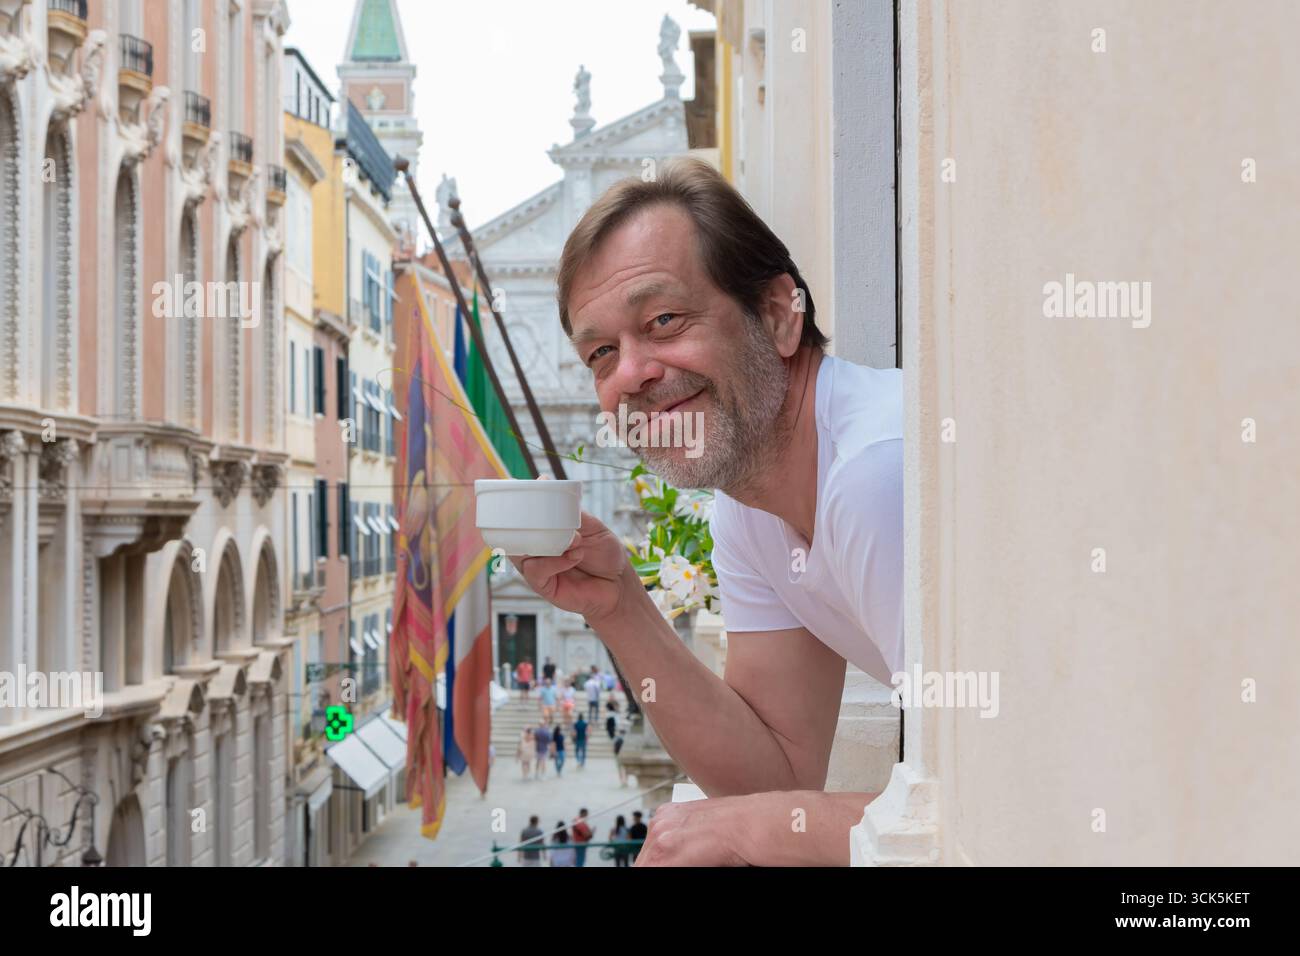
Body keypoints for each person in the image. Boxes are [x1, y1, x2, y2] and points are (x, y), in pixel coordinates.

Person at [511, 159, 903, 866]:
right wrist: (618, 603)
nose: (630, 374)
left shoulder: (876, 472)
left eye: (663, 319)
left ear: (781, 315)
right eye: (601, 352)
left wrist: (743, 831)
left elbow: (991, 805)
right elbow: (774, 775)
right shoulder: (751, 504)